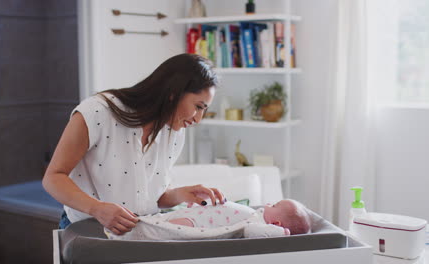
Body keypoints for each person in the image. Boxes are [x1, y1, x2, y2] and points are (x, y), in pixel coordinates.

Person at [42, 53, 226, 235]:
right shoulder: (97, 112)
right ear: (173, 94)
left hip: (139, 233)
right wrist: (97, 209)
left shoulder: (174, 132)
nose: (198, 119)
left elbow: (148, 198)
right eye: (198, 107)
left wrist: (179, 194)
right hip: (86, 231)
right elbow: (53, 178)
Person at [105, 199, 312, 241]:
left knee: (164, 228)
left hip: (198, 224)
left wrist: (283, 235)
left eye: (274, 206)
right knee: (163, 218)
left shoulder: (257, 225)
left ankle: (134, 232)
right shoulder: (255, 212)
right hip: (199, 213)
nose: (268, 203)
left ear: (276, 225)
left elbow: (250, 233)